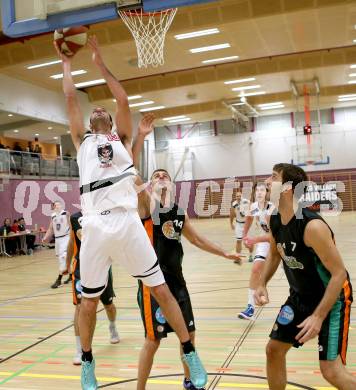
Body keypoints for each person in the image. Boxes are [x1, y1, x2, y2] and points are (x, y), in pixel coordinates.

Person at [55, 35, 207, 390]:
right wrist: (65, 63)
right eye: (93, 111)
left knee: (162, 291)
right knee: (88, 303)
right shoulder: (81, 142)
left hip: (126, 221)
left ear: (109, 121)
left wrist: (98, 61)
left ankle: (189, 351)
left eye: (102, 111)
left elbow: (122, 97)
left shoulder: (120, 141)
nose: (97, 111)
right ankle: (88, 361)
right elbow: (68, 97)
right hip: (94, 225)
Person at [255, 163, 355, 390]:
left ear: (288, 188)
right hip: (299, 298)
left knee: (331, 372)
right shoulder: (275, 219)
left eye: (273, 177)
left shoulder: (312, 226)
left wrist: (318, 317)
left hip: (331, 300)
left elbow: (339, 274)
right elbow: (274, 253)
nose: (267, 182)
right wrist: (262, 283)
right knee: (274, 350)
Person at [66, 211, 120, 366]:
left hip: (102, 266)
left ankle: (112, 326)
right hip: (81, 268)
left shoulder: (105, 214)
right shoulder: (76, 218)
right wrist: (67, 262)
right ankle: (80, 350)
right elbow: (72, 241)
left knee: (108, 305)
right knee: (80, 307)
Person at [238, 182, 273, 320]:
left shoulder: (272, 209)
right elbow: (249, 219)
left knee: (293, 275)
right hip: (265, 241)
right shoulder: (253, 207)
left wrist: (255, 240)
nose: (259, 192)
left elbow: (274, 237)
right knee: (255, 269)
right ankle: (250, 307)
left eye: (262, 190)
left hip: (279, 242)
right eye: (257, 190)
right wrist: (245, 236)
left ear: (267, 193)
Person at [42, 201, 72, 288]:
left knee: (63, 258)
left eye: (58, 204)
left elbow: (71, 226)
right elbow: (50, 229)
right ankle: (71, 276)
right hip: (57, 240)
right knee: (63, 259)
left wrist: (72, 238)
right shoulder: (53, 216)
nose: (57, 206)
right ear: (53, 207)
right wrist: (45, 237)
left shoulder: (66, 214)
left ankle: (59, 280)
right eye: (55, 205)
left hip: (66, 238)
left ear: (61, 205)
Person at [230, 188, 253, 263]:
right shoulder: (234, 204)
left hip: (246, 224)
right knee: (238, 241)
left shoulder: (246, 202)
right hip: (238, 224)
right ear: (235, 197)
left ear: (241, 196)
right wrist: (231, 223)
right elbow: (232, 214)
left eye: (239, 196)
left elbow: (252, 208)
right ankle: (237, 257)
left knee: (247, 242)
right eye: (237, 196)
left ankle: (251, 255)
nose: (238, 197)